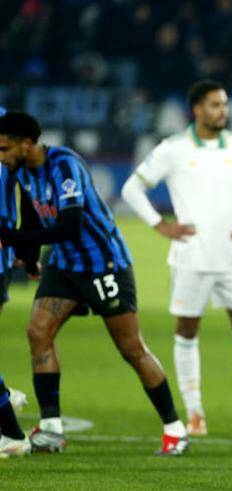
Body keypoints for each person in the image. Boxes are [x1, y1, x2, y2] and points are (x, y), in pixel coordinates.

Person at [0, 111, 189, 456]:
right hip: (64, 265)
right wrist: (29, 257)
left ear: (26, 143)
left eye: (4, 148)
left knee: (131, 348)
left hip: (105, 265)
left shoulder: (64, 165)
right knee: (38, 332)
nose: (1, 156)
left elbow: (69, 226)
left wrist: (10, 238)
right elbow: (30, 216)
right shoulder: (20, 170)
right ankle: (52, 429)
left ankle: (175, 429)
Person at [121, 79, 232, 438]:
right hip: (191, 258)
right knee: (187, 332)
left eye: (225, 104)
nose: (223, 111)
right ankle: (195, 414)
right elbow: (132, 188)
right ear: (197, 109)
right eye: (215, 105)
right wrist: (159, 224)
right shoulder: (173, 149)